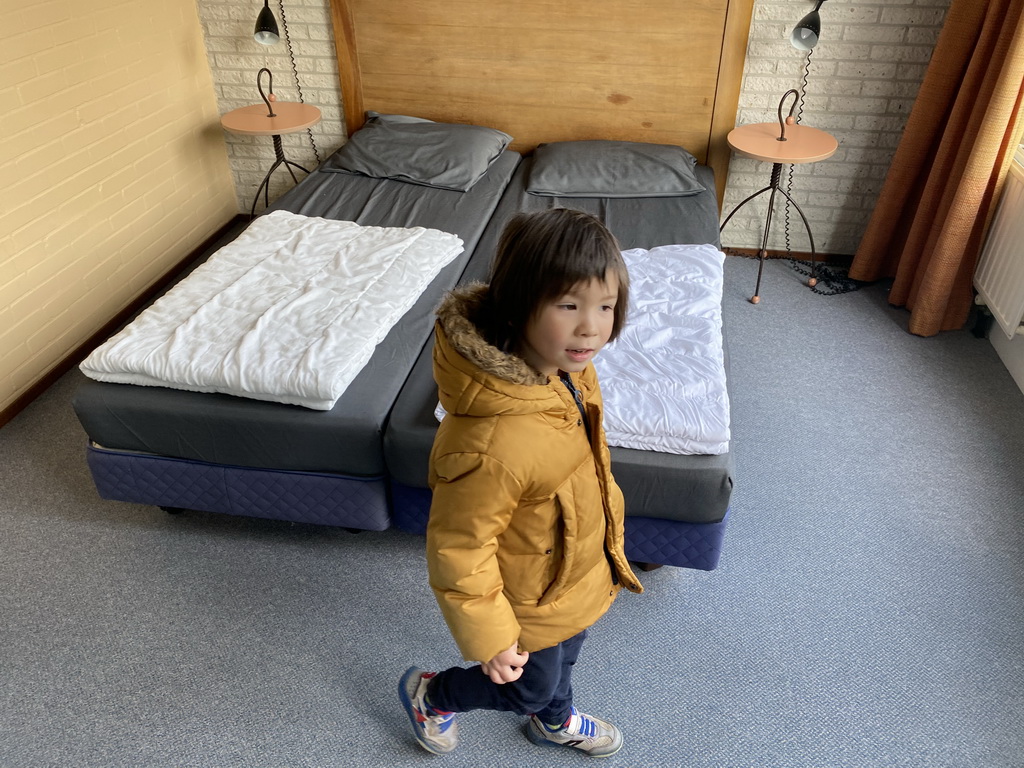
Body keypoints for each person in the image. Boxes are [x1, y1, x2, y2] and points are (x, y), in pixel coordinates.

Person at [398, 208, 644, 758]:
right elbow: (459, 545)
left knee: (569, 652)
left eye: (605, 306)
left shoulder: (570, 367)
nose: (592, 326)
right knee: (526, 686)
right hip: (525, 596)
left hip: (570, 570)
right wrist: (490, 636)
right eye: (568, 305)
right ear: (518, 305)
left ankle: (554, 720)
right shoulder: (491, 443)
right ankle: (433, 693)